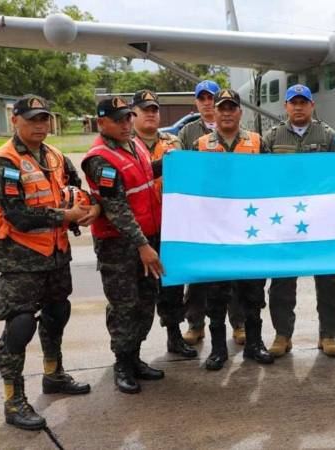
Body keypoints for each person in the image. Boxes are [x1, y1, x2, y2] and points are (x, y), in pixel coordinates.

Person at [0, 95, 99, 430]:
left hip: (55, 254)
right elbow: (18, 215)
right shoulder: (3, 162)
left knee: (57, 313)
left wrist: (89, 210)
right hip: (20, 257)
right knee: (20, 326)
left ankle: (53, 374)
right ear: (15, 120)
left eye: (44, 119)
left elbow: (77, 190)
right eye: (33, 119)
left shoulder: (55, 156)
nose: (40, 125)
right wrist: (65, 215)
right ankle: (13, 400)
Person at [82, 96, 165, 394]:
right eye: (119, 120)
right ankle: (122, 363)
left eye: (128, 117)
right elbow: (116, 208)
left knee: (145, 301)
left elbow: (142, 177)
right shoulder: (100, 159)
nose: (126, 124)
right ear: (101, 122)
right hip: (120, 246)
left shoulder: (134, 144)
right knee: (124, 305)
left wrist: (166, 164)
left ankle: (135, 357)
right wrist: (143, 245)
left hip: (147, 239)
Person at [193, 88, 274, 370]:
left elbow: (272, 182)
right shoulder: (200, 144)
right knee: (216, 294)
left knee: (253, 292)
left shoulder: (257, 142)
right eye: (221, 108)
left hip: (249, 232)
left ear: (240, 112)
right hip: (216, 235)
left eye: (232, 107)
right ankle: (218, 350)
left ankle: (255, 344)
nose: (226, 112)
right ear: (213, 112)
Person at [262, 84, 335, 357]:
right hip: (284, 222)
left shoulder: (328, 136)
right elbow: (260, 179)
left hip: (320, 221)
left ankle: (328, 335)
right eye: (293, 102)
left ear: (312, 105)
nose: (298, 107)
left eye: (303, 102)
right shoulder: (271, 138)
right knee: (282, 282)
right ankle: (282, 335)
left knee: (327, 280)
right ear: (285, 106)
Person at [178, 79, 246, 346]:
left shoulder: (251, 139)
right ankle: (195, 324)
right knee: (199, 276)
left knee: (236, 274)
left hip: (239, 219)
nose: (208, 103)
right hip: (204, 219)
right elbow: (184, 173)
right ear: (197, 102)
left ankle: (239, 324)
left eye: (211, 98)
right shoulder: (190, 135)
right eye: (202, 98)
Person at [131, 89, 197, 359]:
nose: (151, 114)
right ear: (132, 114)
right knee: (138, 294)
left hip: (171, 227)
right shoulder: (126, 146)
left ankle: (174, 336)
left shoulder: (174, 142)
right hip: (140, 230)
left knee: (172, 286)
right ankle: (131, 352)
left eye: (154, 109)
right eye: (145, 109)